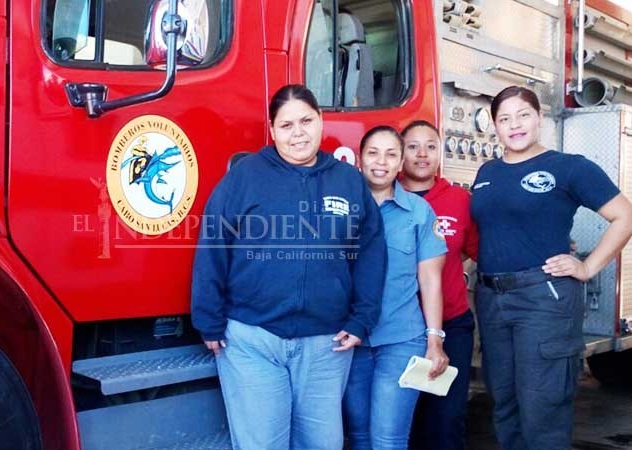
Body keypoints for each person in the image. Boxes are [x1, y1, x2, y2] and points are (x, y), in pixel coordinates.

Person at [191, 84, 387, 450]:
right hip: (252, 341)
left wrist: (362, 318)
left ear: (321, 121)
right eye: (286, 125)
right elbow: (213, 244)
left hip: (326, 346)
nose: (298, 133)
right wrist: (208, 317)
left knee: (323, 444)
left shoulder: (347, 181)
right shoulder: (246, 176)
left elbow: (371, 253)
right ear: (272, 130)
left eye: (306, 121)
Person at [470, 85, 632, 450]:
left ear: (539, 118)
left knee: (542, 408)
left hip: (543, 299)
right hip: (492, 300)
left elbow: (624, 216)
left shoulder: (568, 167)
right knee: (505, 403)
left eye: (523, 115)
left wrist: (588, 266)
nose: (515, 125)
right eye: (504, 118)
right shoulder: (488, 171)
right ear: (494, 126)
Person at [344, 125, 449, 450]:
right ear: (359, 159)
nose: (381, 162)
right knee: (358, 437)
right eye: (373, 153)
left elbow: (430, 281)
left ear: (401, 161)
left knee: (388, 440)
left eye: (391, 154)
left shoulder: (419, 212)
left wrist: (435, 341)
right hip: (350, 342)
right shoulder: (342, 207)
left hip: (401, 340)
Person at [400, 120, 478, 450]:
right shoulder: (386, 197)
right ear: (400, 152)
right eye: (413, 146)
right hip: (400, 330)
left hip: (452, 327)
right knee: (407, 420)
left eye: (430, 146)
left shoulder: (460, 199)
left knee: (446, 421)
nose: (422, 154)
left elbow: (480, 250)